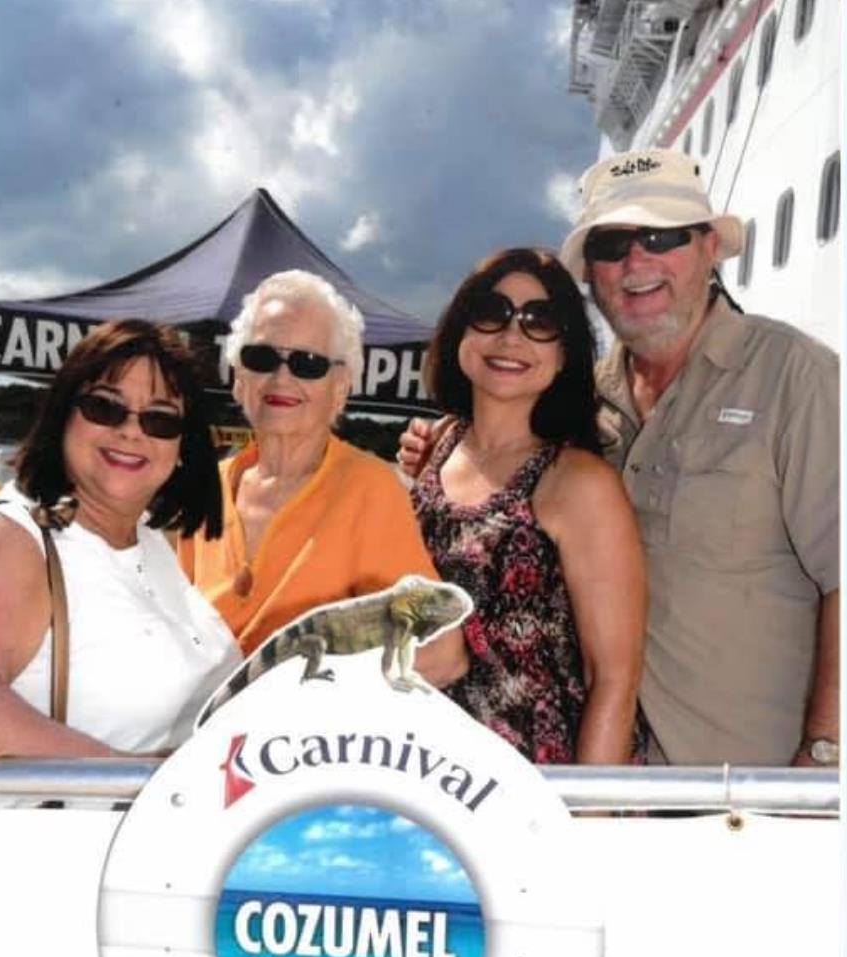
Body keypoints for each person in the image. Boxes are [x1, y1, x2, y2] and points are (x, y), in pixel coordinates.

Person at [402, 151, 840, 769]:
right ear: (592, 275)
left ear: (710, 247)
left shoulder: (796, 377)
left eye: (663, 236)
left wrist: (822, 758)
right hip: (602, 766)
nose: (637, 262)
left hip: (746, 783)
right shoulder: (581, 401)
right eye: (612, 244)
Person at [408, 247, 646, 764]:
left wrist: (589, 820)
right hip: (424, 775)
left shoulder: (580, 483)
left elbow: (613, 678)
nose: (511, 336)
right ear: (460, 333)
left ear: (565, 354)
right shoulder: (436, 448)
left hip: (536, 784)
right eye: (491, 312)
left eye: (541, 321)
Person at [176, 269, 466, 688]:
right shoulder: (205, 489)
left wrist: (310, 699)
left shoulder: (370, 489)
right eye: (261, 358)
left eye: (307, 363)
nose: (281, 378)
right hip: (202, 740)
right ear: (239, 378)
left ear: (341, 387)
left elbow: (442, 654)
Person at [0, 319, 241, 757]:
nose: (131, 431)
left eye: (159, 419)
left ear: (181, 448)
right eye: (105, 407)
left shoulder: (149, 541)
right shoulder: (12, 538)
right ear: (63, 416)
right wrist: (127, 780)